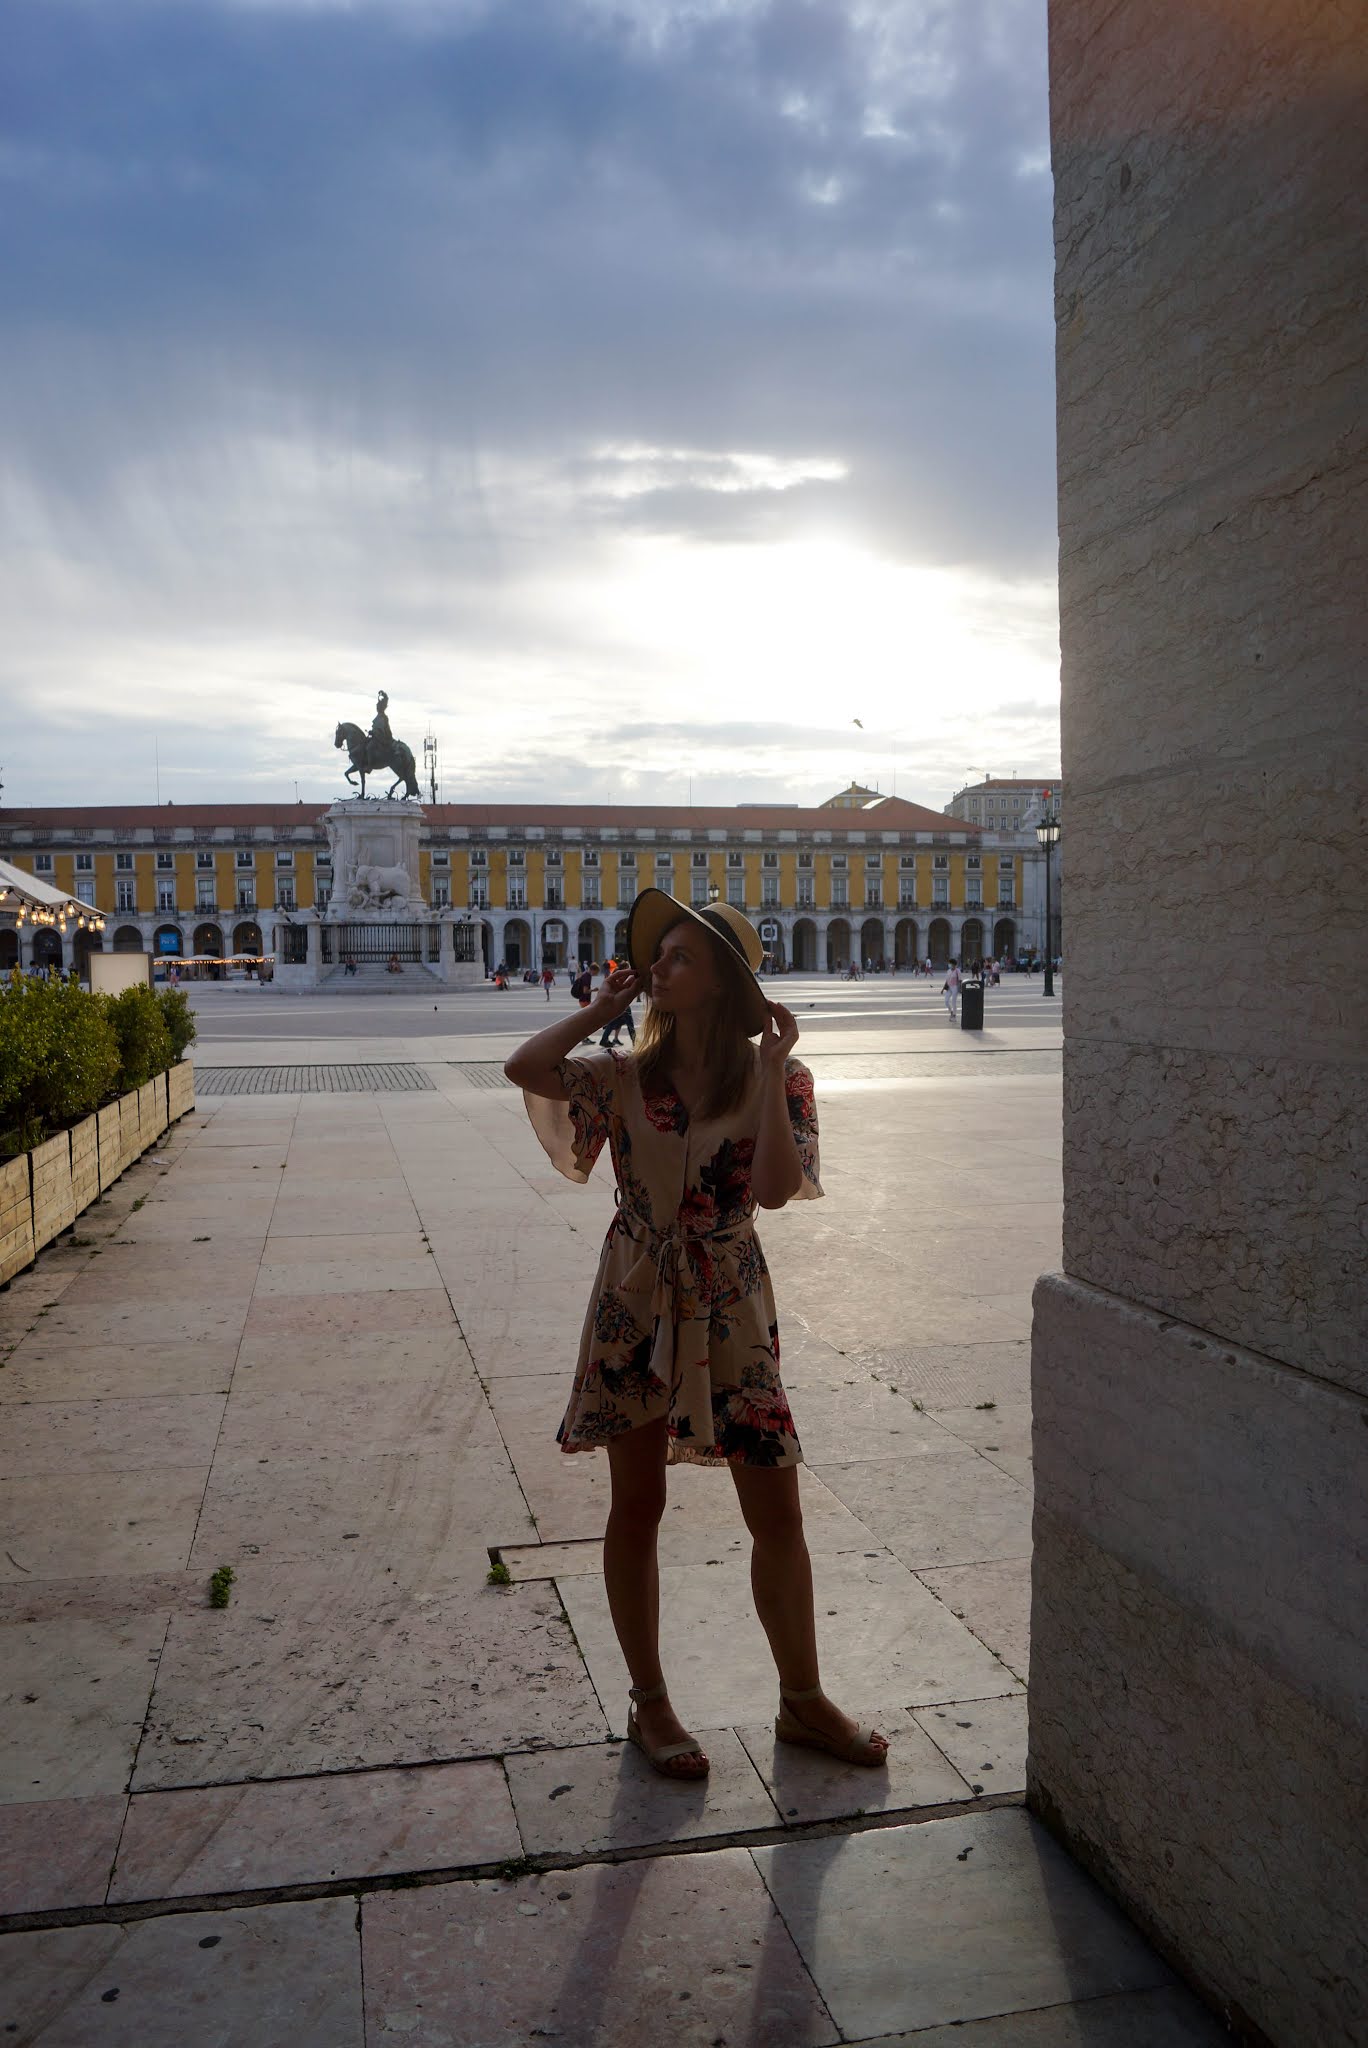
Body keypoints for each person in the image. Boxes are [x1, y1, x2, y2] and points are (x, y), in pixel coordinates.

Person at [505, 888, 889, 1783]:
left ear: (720, 983)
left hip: (730, 1300)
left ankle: (803, 1701)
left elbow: (780, 1192)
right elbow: (526, 1068)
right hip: (636, 1299)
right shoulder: (621, 1074)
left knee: (778, 1508)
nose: (657, 969)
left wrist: (774, 1069)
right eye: (658, 955)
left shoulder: (776, 1078)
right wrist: (596, 1012)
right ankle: (652, 1704)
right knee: (637, 1505)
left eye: (679, 957)